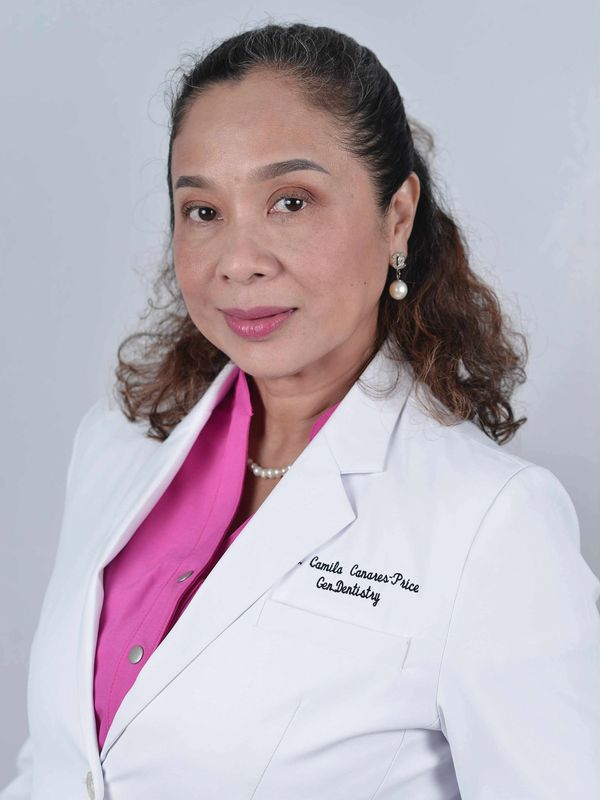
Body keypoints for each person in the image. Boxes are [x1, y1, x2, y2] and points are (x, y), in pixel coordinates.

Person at [3, 21, 600, 800]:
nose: (239, 261)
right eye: (203, 211)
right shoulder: (114, 447)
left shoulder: (494, 524)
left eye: (290, 201)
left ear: (398, 215)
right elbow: (56, 763)